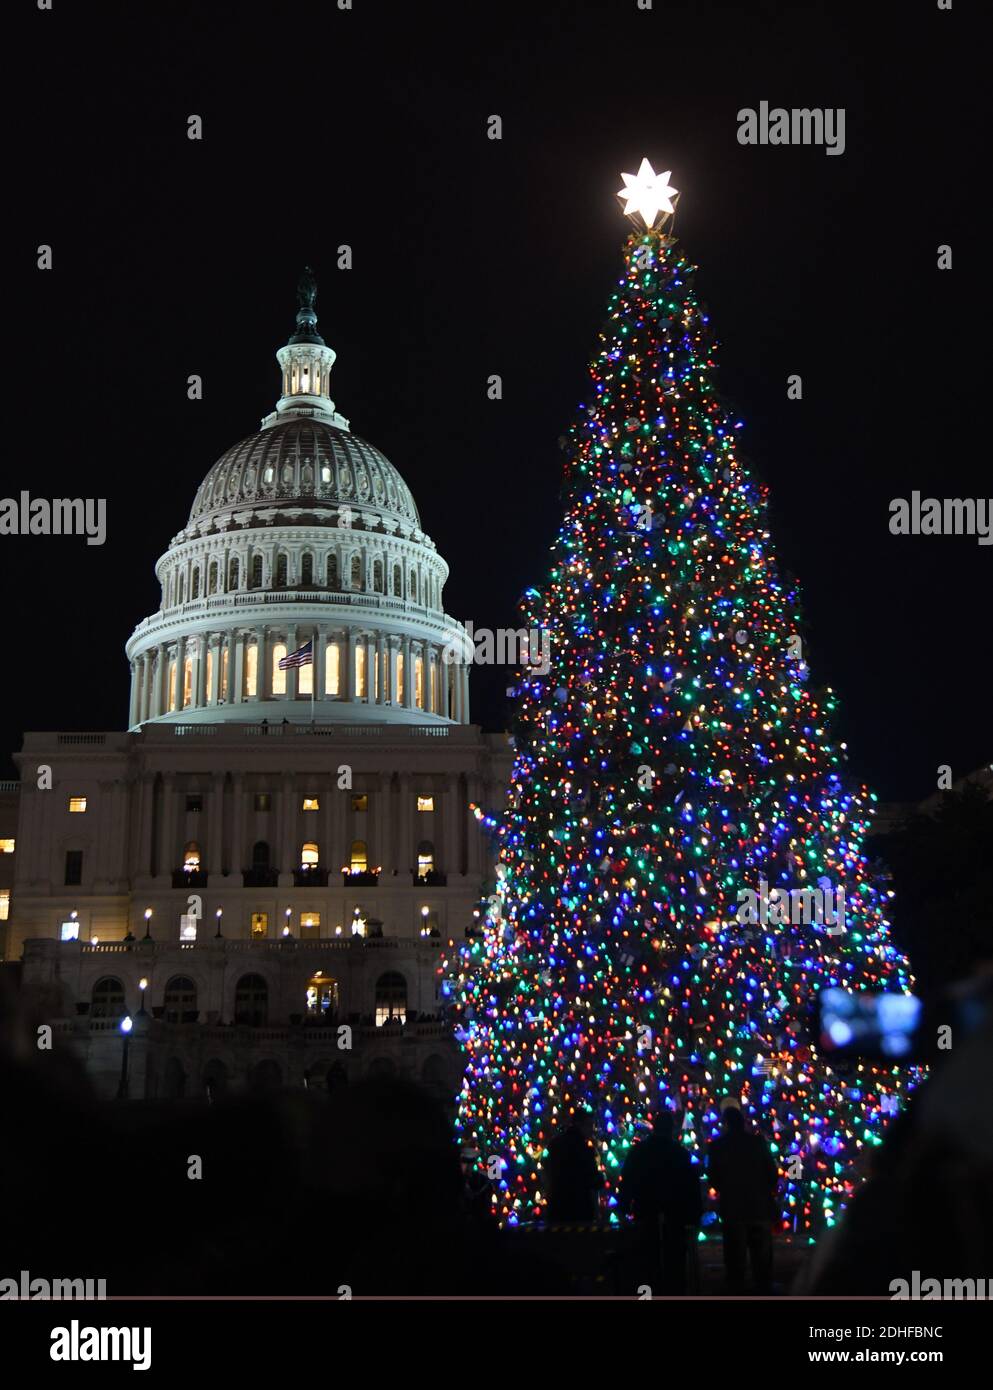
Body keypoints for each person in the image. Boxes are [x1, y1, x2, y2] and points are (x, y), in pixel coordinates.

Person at [619, 1111, 703, 1292]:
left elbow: (628, 1179)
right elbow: (691, 1184)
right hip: (675, 1212)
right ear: (671, 1130)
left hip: (646, 1209)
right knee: (675, 1259)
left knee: (649, 1258)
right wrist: (695, 1213)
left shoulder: (639, 1151)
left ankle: (651, 1291)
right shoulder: (679, 1153)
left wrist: (624, 1206)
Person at [707, 1105, 778, 1293]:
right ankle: (763, 1289)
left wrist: (727, 1190)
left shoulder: (717, 1146)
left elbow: (713, 1177)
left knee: (735, 1258)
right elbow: (771, 1173)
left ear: (726, 1124)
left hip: (733, 1208)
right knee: (761, 1258)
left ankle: (737, 1290)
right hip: (758, 1207)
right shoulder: (758, 1143)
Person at [545, 1109, 604, 1222]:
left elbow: (547, 1169)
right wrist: (601, 1179)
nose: (592, 1130)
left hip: (557, 1207)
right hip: (578, 1208)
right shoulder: (583, 1149)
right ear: (580, 1125)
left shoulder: (556, 1143)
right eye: (589, 1125)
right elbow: (591, 1178)